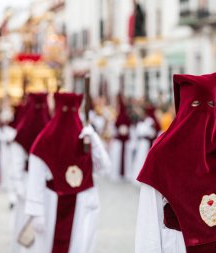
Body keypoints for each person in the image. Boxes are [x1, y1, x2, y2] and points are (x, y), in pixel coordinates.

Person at [135, 73, 216, 253]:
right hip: (177, 245)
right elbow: (148, 222)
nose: (203, 112)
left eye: (211, 105)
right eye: (195, 104)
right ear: (183, 108)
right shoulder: (162, 154)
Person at [24, 93, 111, 253]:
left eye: (72, 110)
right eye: (65, 109)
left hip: (82, 206)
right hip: (51, 205)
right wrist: (36, 211)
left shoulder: (85, 137)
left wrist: (95, 141)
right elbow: (35, 178)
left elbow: (104, 168)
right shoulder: (45, 140)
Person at [10, 93, 51, 253]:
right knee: (25, 227)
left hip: (40, 187)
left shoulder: (24, 132)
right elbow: (16, 165)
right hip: (29, 186)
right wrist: (20, 189)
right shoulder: (24, 134)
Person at [109, 93, 133, 181]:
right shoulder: (118, 116)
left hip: (122, 142)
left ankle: (124, 173)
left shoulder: (123, 117)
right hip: (119, 141)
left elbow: (124, 129)